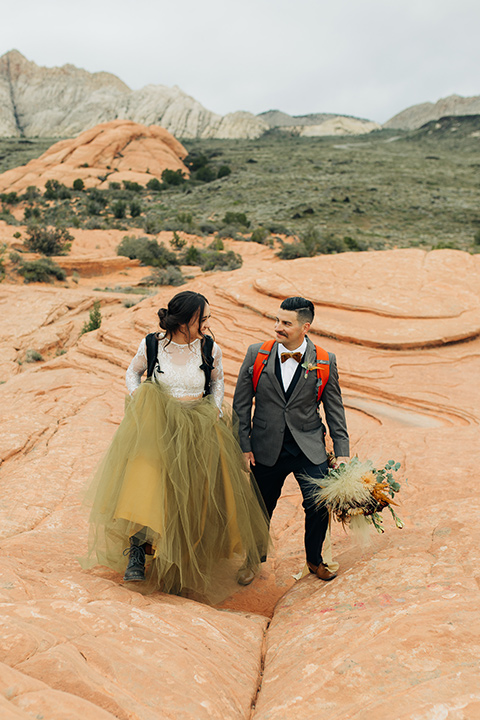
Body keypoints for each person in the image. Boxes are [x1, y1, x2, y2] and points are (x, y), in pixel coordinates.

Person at [81, 290, 270, 601]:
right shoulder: (153, 344)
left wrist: (216, 408)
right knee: (148, 485)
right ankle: (137, 553)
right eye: (203, 318)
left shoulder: (210, 347)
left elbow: (218, 380)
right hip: (159, 425)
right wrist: (139, 398)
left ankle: (181, 558)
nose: (208, 324)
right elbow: (133, 372)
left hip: (198, 426)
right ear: (185, 320)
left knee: (192, 492)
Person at [233, 296, 349, 582]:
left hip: (308, 446)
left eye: (286, 323)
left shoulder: (324, 360)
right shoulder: (256, 354)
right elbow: (241, 405)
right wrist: (243, 447)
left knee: (318, 504)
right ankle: (252, 560)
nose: (277, 327)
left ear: (305, 326)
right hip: (265, 446)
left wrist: (342, 451)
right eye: (277, 321)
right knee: (259, 507)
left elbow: (335, 409)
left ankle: (315, 560)